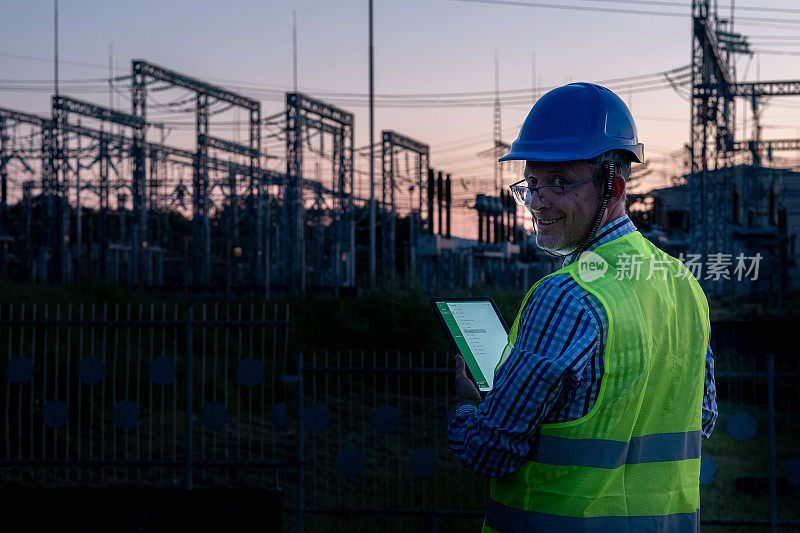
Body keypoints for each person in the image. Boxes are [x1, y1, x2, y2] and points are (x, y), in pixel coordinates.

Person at [447, 82, 717, 532]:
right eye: (531, 183)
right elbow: (700, 419)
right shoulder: (683, 284)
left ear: (614, 187)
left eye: (560, 183)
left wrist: (464, 408)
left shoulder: (565, 297)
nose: (538, 201)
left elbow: (488, 450)